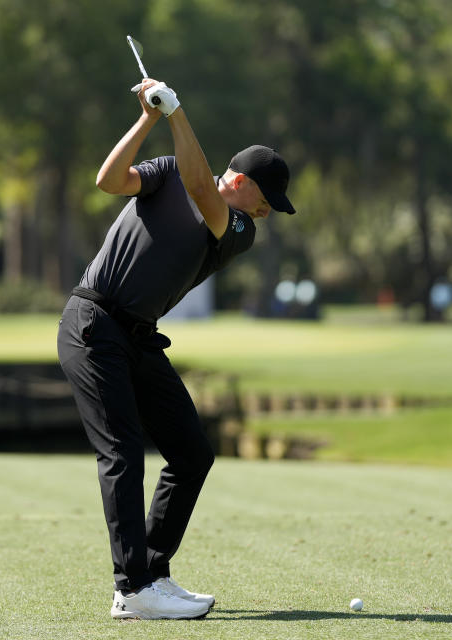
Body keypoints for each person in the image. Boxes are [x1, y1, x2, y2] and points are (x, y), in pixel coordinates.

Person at [57, 77, 295, 620]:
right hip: (93, 323)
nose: (268, 212)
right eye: (267, 198)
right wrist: (148, 118)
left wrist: (177, 114)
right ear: (240, 179)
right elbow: (108, 180)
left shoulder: (235, 227)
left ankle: (153, 573)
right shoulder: (165, 172)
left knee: (191, 453)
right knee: (122, 452)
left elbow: (202, 192)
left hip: (137, 336)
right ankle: (133, 589)